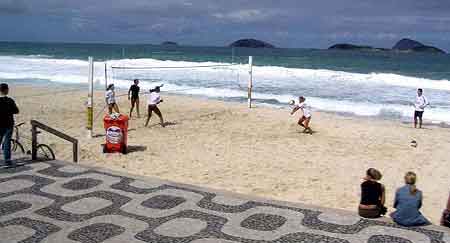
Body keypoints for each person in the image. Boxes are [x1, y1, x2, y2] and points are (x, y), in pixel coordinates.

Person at [0, 83, 19, 167]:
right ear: (6, 90)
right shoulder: (10, 100)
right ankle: (7, 160)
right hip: (8, 124)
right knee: (7, 142)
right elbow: (16, 111)